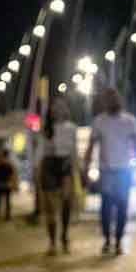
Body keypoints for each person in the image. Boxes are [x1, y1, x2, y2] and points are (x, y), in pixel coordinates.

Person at [85, 87, 136, 255]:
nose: (113, 101)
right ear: (105, 103)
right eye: (109, 99)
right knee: (106, 207)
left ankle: (118, 241)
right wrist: (85, 167)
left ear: (120, 101)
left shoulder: (130, 120)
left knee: (123, 207)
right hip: (106, 170)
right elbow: (91, 146)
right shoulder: (99, 121)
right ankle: (107, 240)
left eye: (115, 98)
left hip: (124, 170)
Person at [39, 97, 78, 255]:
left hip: (65, 164)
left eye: (61, 106)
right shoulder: (45, 128)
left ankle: (65, 236)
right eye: (54, 107)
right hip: (48, 164)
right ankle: (52, 242)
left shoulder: (71, 127)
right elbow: (39, 151)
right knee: (50, 207)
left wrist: (78, 169)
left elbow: (74, 151)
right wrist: (37, 169)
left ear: (66, 109)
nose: (57, 110)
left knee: (66, 202)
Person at [0, 144, 17, 221]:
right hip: (3, 184)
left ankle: (1, 214)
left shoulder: (0, 163)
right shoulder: (9, 163)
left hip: (0, 184)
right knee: (4, 200)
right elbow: (12, 174)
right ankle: (4, 214)